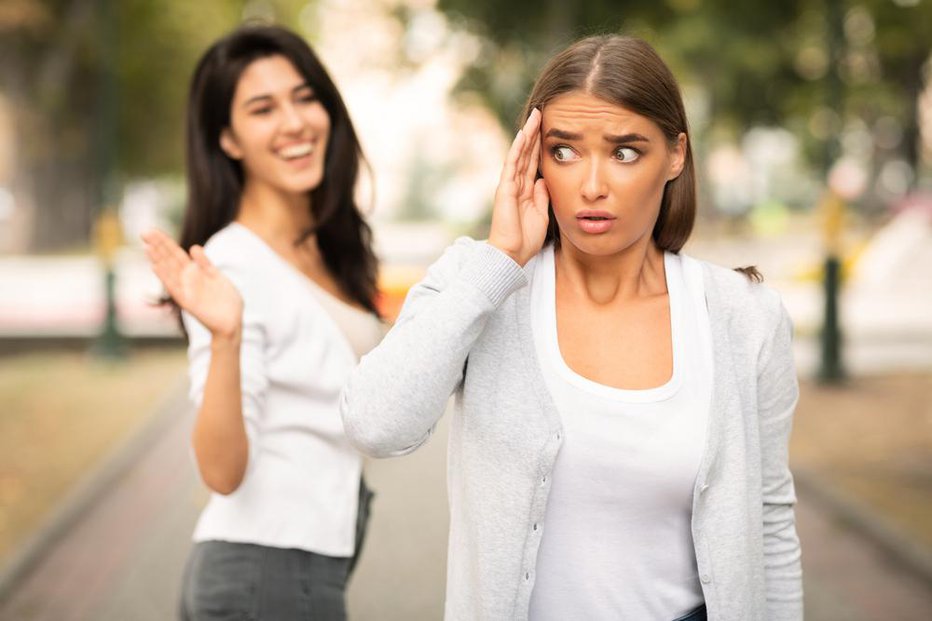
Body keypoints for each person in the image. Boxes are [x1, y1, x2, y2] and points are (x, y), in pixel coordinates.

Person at [341, 35, 802, 621]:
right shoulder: (479, 282)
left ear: (676, 155)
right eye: (563, 152)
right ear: (531, 158)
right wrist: (501, 261)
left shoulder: (745, 315)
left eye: (625, 152)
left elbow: (770, 521)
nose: (591, 185)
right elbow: (374, 424)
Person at [142, 24, 383, 620]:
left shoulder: (326, 249)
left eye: (305, 98)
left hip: (304, 566)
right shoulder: (232, 264)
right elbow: (221, 471)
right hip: (264, 573)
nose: (295, 122)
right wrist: (226, 338)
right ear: (227, 138)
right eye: (262, 108)